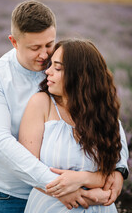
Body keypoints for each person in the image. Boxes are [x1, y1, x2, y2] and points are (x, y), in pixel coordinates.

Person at [0, 0, 128, 213]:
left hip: (72, 192)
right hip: (9, 195)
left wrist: (119, 169)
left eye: (49, 44)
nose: (44, 55)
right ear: (14, 42)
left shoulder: (61, 66)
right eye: (35, 48)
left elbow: (102, 113)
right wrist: (62, 188)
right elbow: (0, 142)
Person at [19, 38, 129, 212]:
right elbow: (26, 168)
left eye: (57, 67)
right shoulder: (41, 103)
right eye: (50, 65)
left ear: (80, 75)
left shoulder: (105, 115)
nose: (47, 71)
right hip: (51, 207)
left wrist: (82, 178)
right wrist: (86, 195)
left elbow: (113, 176)